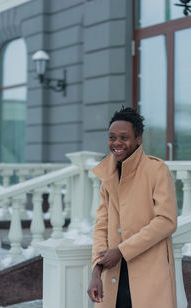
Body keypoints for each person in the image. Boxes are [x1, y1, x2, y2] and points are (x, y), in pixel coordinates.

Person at [87, 107, 177, 308]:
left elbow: (166, 221)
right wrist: (96, 270)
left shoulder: (157, 170)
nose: (117, 143)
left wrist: (121, 250)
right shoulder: (107, 176)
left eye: (124, 137)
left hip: (149, 272)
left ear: (138, 139)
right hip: (113, 274)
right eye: (112, 137)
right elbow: (101, 226)